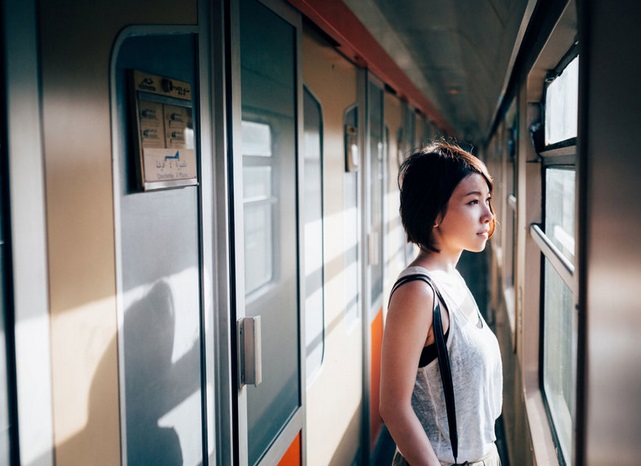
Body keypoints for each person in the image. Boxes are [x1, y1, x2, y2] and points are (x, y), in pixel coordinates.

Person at [379, 141, 503, 466]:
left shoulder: (452, 277)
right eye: (473, 202)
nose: (488, 215)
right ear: (435, 213)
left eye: (487, 200)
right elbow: (393, 407)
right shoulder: (418, 293)